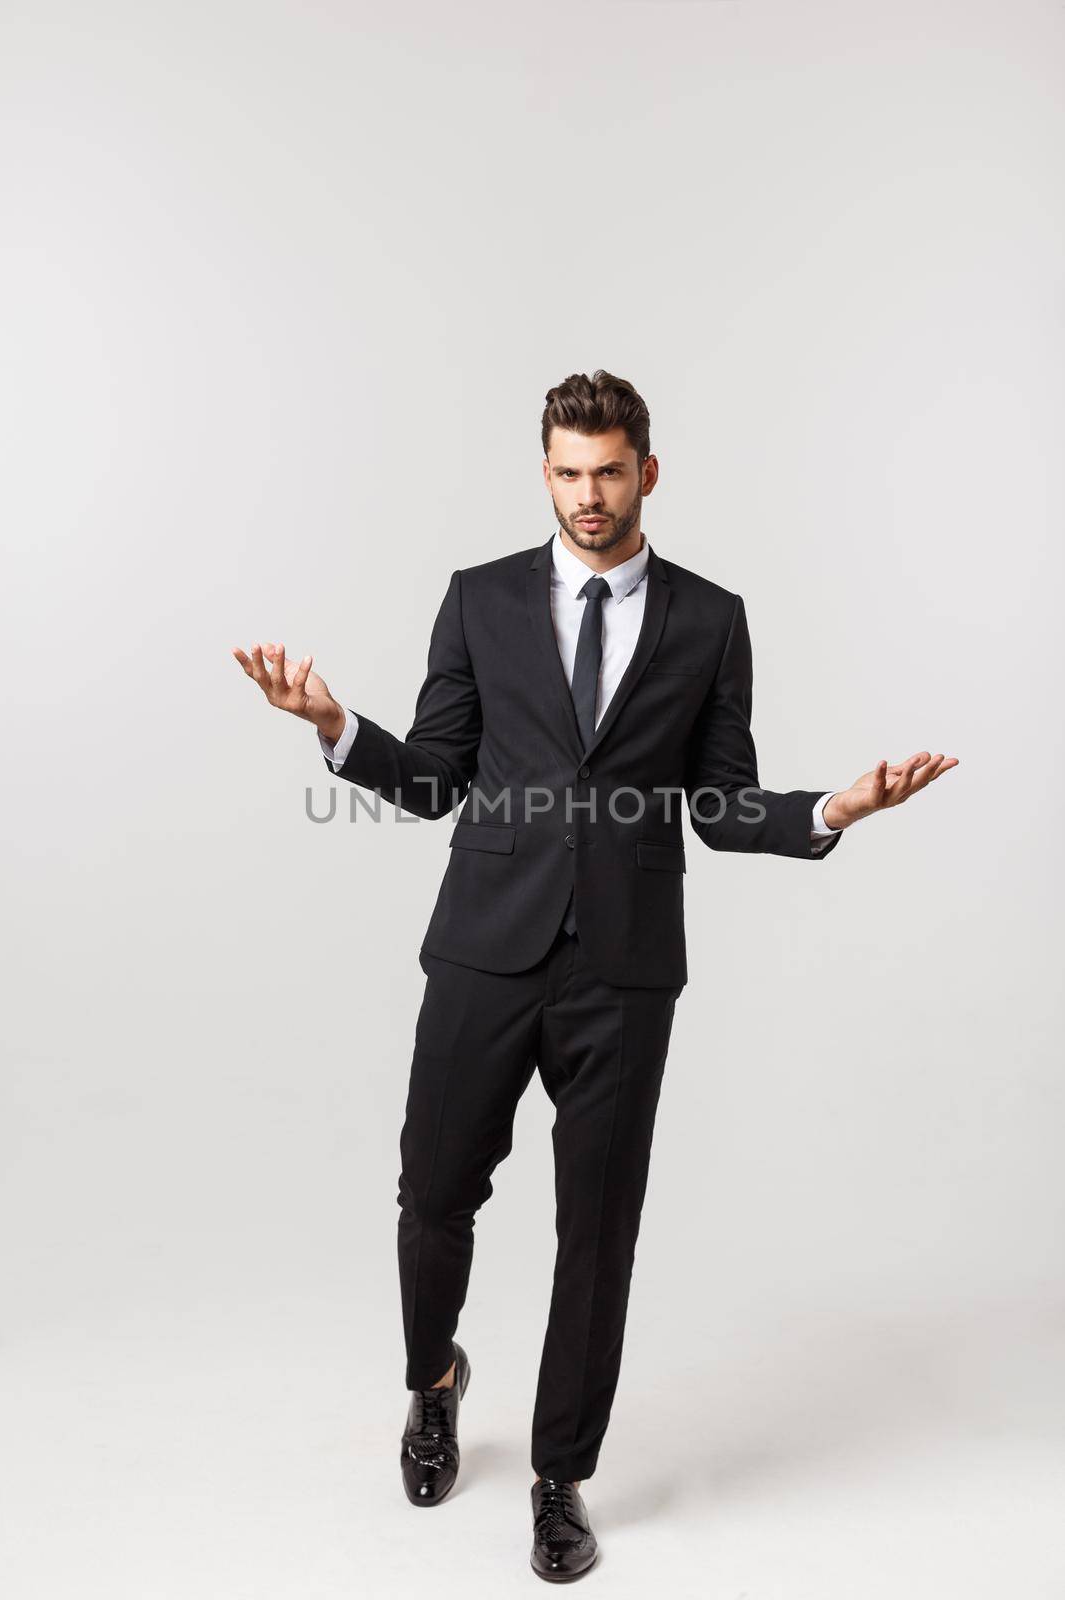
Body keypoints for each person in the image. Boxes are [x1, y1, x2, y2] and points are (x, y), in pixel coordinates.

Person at [233, 369, 958, 1582]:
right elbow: (434, 779)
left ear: (646, 473)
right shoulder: (478, 601)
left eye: (608, 471)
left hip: (624, 969)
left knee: (597, 1234)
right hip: (483, 944)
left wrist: (833, 805)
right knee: (431, 1193)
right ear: (544, 473)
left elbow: (722, 805)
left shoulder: (709, 617)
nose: (587, 495)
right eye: (567, 473)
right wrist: (334, 727)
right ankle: (432, 1378)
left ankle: (558, 1477)